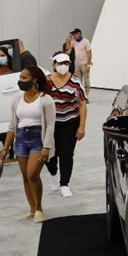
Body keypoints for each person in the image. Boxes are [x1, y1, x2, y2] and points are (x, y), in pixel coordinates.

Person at [0, 65, 55, 223]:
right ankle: (32, 209)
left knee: (32, 174)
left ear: (34, 79)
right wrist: (5, 148)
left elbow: (50, 125)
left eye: (24, 78)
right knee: (25, 176)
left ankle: (39, 208)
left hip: (38, 139)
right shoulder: (17, 100)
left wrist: (46, 147)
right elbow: (12, 126)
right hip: (21, 139)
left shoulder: (46, 100)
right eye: (20, 78)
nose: (20, 81)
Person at [44, 52, 87, 198]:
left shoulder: (76, 81)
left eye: (66, 63)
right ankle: (53, 173)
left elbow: (82, 104)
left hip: (70, 122)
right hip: (51, 123)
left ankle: (64, 184)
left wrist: (82, 126)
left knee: (66, 154)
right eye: (60, 63)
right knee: (49, 154)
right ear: (54, 64)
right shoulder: (47, 81)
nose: (63, 66)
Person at [67, 28, 93, 94]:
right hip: (77, 63)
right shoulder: (74, 42)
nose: (73, 35)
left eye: (74, 34)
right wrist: (69, 40)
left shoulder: (85, 41)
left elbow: (89, 53)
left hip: (84, 63)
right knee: (78, 80)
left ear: (78, 34)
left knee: (86, 80)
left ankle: (86, 95)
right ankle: (80, 94)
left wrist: (88, 64)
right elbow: (68, 49)